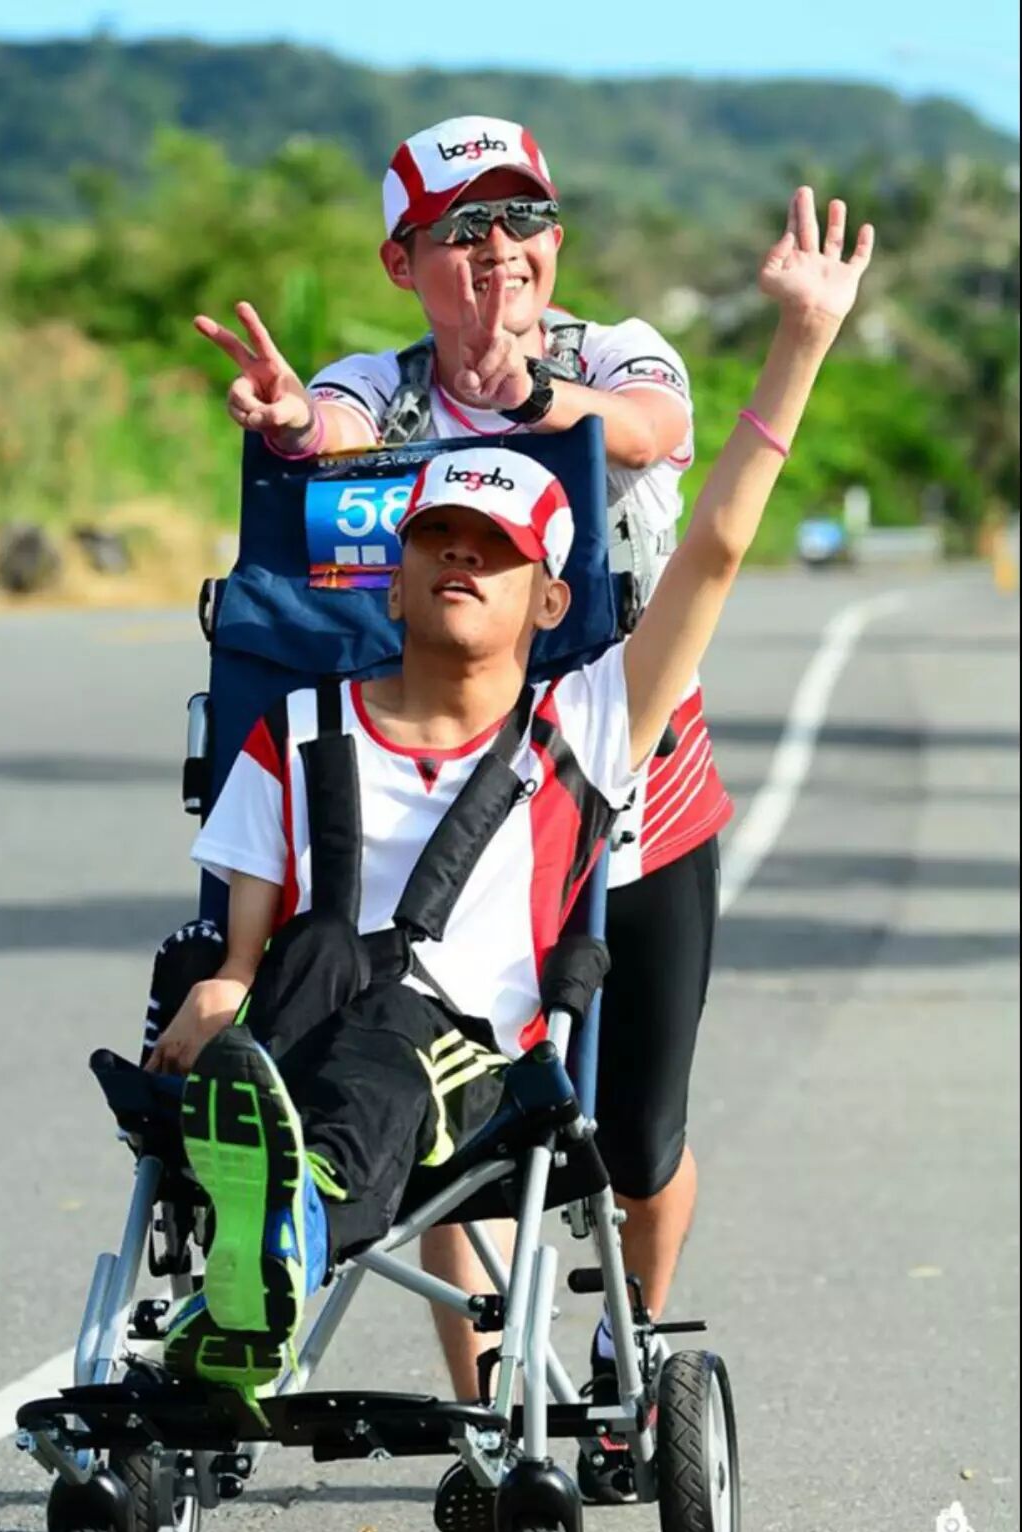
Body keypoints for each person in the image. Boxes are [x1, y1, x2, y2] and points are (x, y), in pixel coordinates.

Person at [149, 191, 873, 1412]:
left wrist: (800, 341)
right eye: (436, 540)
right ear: (389, 583)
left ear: (548, 597)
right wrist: (225, 983)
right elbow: (250, 939)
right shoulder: (304, 727)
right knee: (317, 960)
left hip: (471, 1048)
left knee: (419, 1041)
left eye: (490, 549)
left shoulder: (583, 719)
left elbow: (714, 546)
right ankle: (269, 1229)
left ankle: (283, 1236)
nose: (458, 559)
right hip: (306, 1027)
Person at [193, 114, 735, 1504]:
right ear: (404, 261)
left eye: (522, 219)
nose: (500, 250)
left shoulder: (615, 354)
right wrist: (290, 425)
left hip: (629, 802)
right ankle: (494, 1418)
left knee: (636, 1139)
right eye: (462, 229)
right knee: (468, 1133)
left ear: (554, 240)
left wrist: (538, 400)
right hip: (452, 817)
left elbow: (655, 431)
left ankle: (625, 1341)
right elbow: (328, 430)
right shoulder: (379, 389)